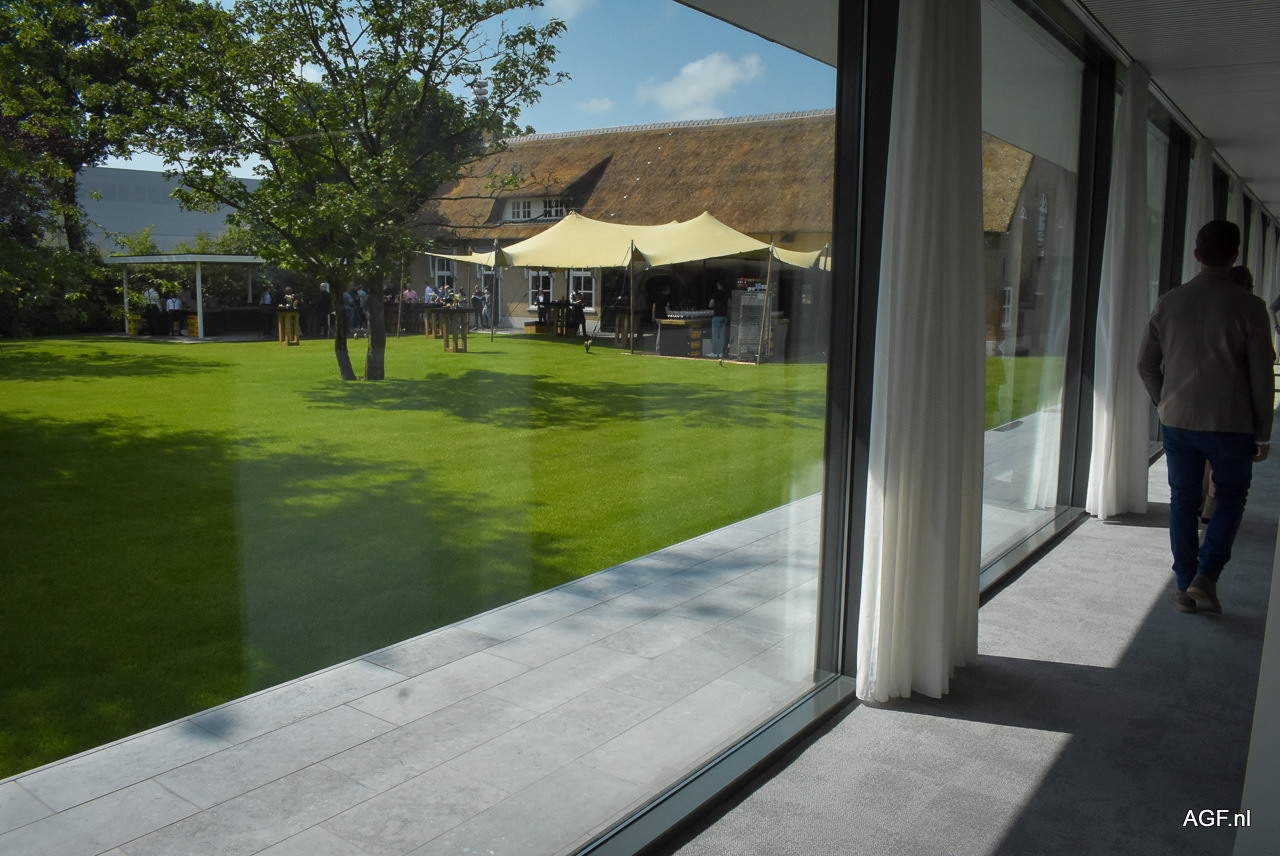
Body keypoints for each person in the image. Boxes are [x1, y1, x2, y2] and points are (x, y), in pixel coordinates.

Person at [1137, 220, 1275, 615]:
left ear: (1196, 254)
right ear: (1235, 256)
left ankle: (1185, 583)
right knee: (1230, 496)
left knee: (1182, 500)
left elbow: (1145, 365)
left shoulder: (1169, 301)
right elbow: (1261, 376)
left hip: (1178, 421)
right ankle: (1206, 576)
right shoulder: (1250, 307)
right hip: (1231, 424)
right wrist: (1263, 433)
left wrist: (1164, 403)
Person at [709, 281, 731, 358]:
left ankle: (715, 352)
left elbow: (711, 304)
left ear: (718, 285)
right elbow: (729, 304)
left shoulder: (716, 293)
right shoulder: (726, 294)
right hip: (724, 316)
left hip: (717, 315)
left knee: (715, 335)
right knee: (722, 335)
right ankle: (721, 352)